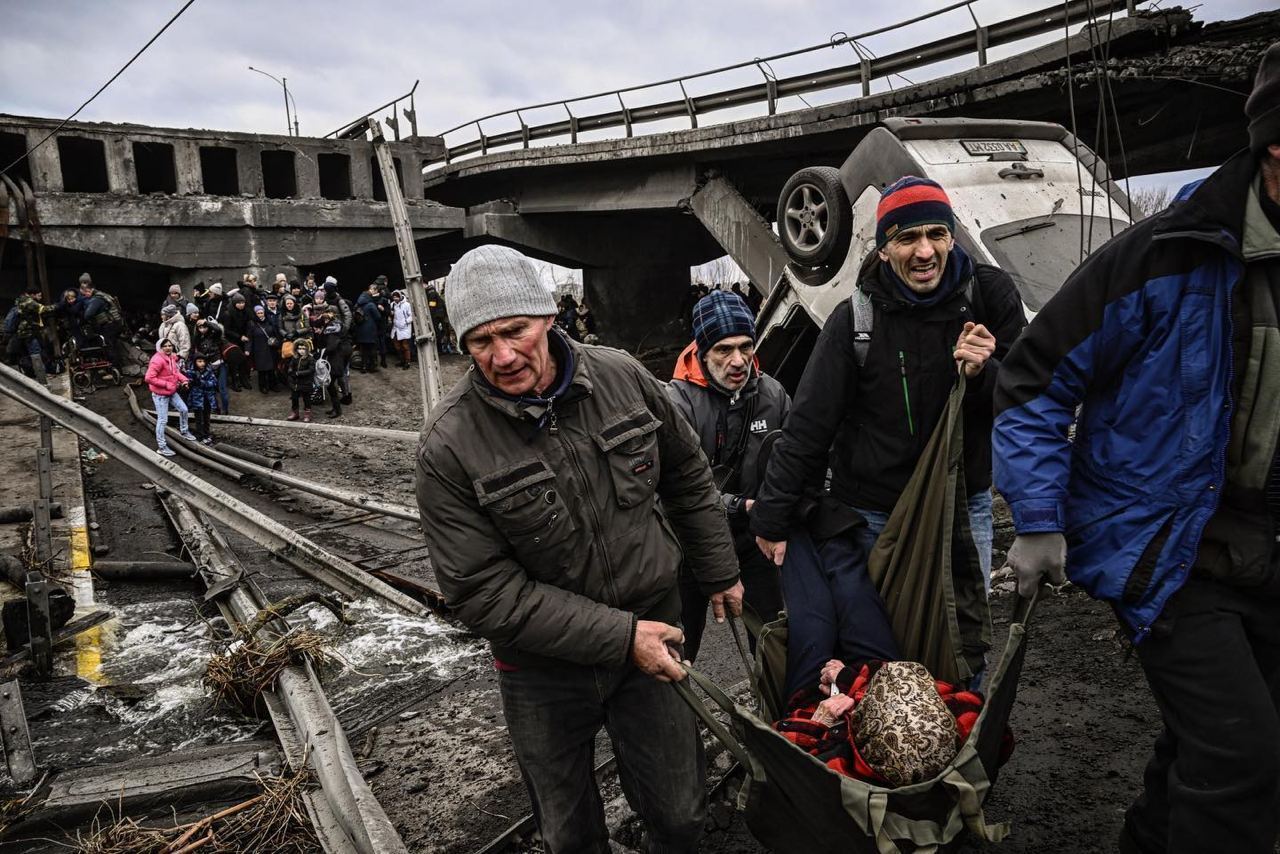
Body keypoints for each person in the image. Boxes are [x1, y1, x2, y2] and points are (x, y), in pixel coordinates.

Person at [994, 44, 1280, 854]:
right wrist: (1038, 520)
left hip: (1271, 552)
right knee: (1243, 759)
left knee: (1214, 744)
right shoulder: (1164, 255)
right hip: (1170, 551)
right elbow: (1033, 380)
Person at [416, 244, 743, 853]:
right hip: (541, 670)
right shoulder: (448, 444)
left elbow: (686, 474)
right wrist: (622, 637)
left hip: (653, 627)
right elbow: (482, 593)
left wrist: (719, 568)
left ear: (548, 317)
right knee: (567, 835)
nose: (503, 355)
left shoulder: (622, 377)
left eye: (515, 330)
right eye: (481, 341)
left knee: (680, 814)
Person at [749, 176, 1026, 698]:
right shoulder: (855, 321)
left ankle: (960, 734)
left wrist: (984, 374)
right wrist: (771, 517)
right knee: (883, 646)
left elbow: (1032, 399)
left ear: (952, 237)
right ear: (883, 248)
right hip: (875, 513)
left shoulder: (988, 296)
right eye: (906, 238)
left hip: (960, 506)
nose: (924, 251)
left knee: (961, 634)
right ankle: (892, 738)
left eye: (936, 234)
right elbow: (808, 427)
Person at [667, 290, 790, 661]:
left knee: (773, 640)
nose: (738, 361)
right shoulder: (675, 404)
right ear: (702, 351)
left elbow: (794, 463)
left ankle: (773, 699)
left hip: (754, 540)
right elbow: (671, 489)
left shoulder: (773, 394)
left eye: (745, 346)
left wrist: (778, 512)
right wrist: (741, 506)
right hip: (688, 545)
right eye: (724, 349)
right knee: (676, 650)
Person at [145, 338, 194, 456]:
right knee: (162, 420)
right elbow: (149, 378)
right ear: (160, 348)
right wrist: (167, 384)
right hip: (160, 394)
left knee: (184, 409)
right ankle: (161, 447)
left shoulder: (172, 357)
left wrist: (184, 380)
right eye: (165, 346)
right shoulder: (157, 360)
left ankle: (184, 431)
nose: (168, 348)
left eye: (170, 345)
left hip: (171, 391)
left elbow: (175, 373)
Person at [78, 274, 124, 364]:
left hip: (109, 325)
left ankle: (114, 365)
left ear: (88, 290)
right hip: (116, 323)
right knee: (113, 345)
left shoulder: (96, 299)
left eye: (84, 294)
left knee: (109, 346)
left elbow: (88, 314)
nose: (85, 296)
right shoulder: (102, 294)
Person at [13, 283, 52, 384]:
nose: (40, 297)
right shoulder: (29, 302)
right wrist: (60, 305)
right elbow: (44, 309)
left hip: (25, 332)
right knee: (36, 355)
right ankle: (43, 382)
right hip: (29, 333)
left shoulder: (21, 300)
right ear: (33, 294)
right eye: (39, 295)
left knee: (33, 354)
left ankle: (35, 376)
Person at [192, 317, 229, 415]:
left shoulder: (214, 336)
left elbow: (218, 329)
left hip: (220, 364)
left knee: (222, 389)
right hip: (207, 366)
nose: (202, 330)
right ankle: (216, 409)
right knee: (210, 389)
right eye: (200, 328)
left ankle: (225, 410)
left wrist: (206, 322)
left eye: (204, 327)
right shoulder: (198, 339)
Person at [184, 353, 218, 445]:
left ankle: (207, 435)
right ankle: (200, 436)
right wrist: (190, 383)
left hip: (208, 398)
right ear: (195, 362)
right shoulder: (190, 372)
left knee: (207, 418)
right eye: (199, 361)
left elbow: (214, 383)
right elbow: (187, 383)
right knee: (199, 419)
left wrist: (202, 382)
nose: (202, 363)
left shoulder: (209, 371)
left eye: (203, 361)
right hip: (197, 399)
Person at [248, 304, 279, 393]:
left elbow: (275, 333)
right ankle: (263, 386)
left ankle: (273, 385)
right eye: (258, 313)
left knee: (271, 369)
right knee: (262, 370)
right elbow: (249, 337)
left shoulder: (269, 321)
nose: (260, 314)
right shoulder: (252, 323)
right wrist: (248, 349)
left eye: (262, 313)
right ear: (255, 314)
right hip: (259, 349)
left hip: (270, 349)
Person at [354, 283, 383, 373]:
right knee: (372, 349)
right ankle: (372, 367)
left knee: (363, 350)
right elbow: (378, 317)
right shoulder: (371, 304)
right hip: (370, 330)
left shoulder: (358, 302)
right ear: (373, 291)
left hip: (361, 329)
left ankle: (363, 367)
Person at [286, 338, 316, 423]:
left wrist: (298, 373)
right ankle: (295, 413)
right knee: (294, 398)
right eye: (299, 348)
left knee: (306, 399)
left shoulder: (310, 358)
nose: (301, 350)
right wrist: (290, 371)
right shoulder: (295, 357)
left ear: (307, 349)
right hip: (295, 383)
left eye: (303, 348)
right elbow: (291, 366)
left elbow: (311, 370)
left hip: (306, 382)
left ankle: (307, 414)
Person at [390, 289, 413, 368]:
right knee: (397, 346)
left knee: (405, 346)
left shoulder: (407, 305)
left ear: (400, 297)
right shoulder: (392, 304)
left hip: (405, 328)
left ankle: (407, 362)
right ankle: (401, 360)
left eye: (396, 297)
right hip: (396, 327)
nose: (395, 298)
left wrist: (405, 321)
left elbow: (411, 315)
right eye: (394, 297)